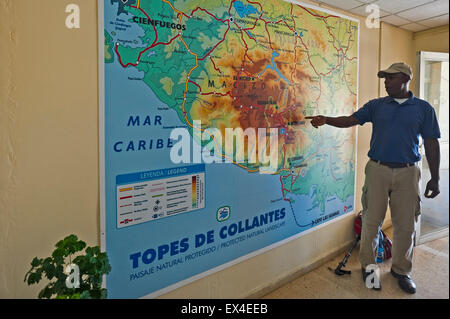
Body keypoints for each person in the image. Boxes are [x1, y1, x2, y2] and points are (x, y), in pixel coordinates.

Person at [306, 62, 441, 294]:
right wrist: (326, 119)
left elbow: (431, 142)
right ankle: (369, 268)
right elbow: (351, 119)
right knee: (371, 222)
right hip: (377, 170)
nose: (386, 82)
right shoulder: (377, 106)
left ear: (405, 79)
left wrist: (435, 178)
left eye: (391, 78)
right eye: (384, 79)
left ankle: (401, 271)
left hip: (408, 172)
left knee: (406, 225)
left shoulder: (423, 109)